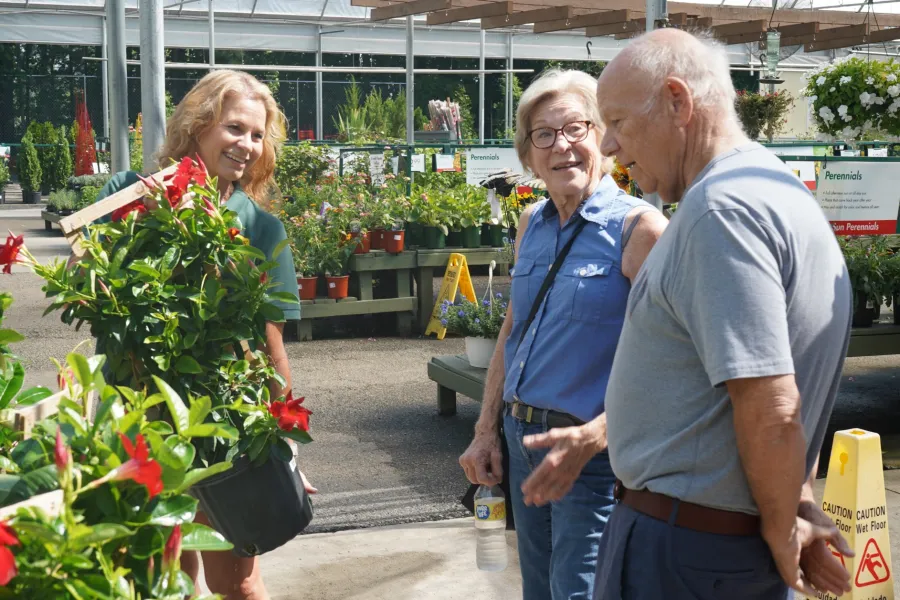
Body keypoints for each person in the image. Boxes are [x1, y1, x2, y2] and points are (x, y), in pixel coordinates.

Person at [592, 29, 854, 600]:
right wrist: (793, 506)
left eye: (617, 121)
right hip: (706, 546)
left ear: (678, 101)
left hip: (685, 551)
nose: (607, 145)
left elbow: (770, 401)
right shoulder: (772, 189)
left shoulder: (722, 211)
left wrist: (785, 523)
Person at [92, 70, 312, 600]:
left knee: (235, 582)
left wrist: (282, 443)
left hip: (223, 429)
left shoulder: (262, 228)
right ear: (198, 124)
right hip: (139, 416)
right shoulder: (126, 197)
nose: (248, 146)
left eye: (258, 135)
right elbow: (93, 297)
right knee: (159, 579)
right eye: (236, 128)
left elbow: (270, 343)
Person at [459, 68, 668, 600]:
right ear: (528, 154)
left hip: (589, 457)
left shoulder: (639, 230)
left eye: (576, 129)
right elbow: (514, 330)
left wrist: (599, 434)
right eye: (544, 135)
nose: (563, 147)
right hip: (520, 438)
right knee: (537, 588)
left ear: (603, 136)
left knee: (579, 590)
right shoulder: (531, 221)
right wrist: (487, 429)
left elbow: (674, 358)